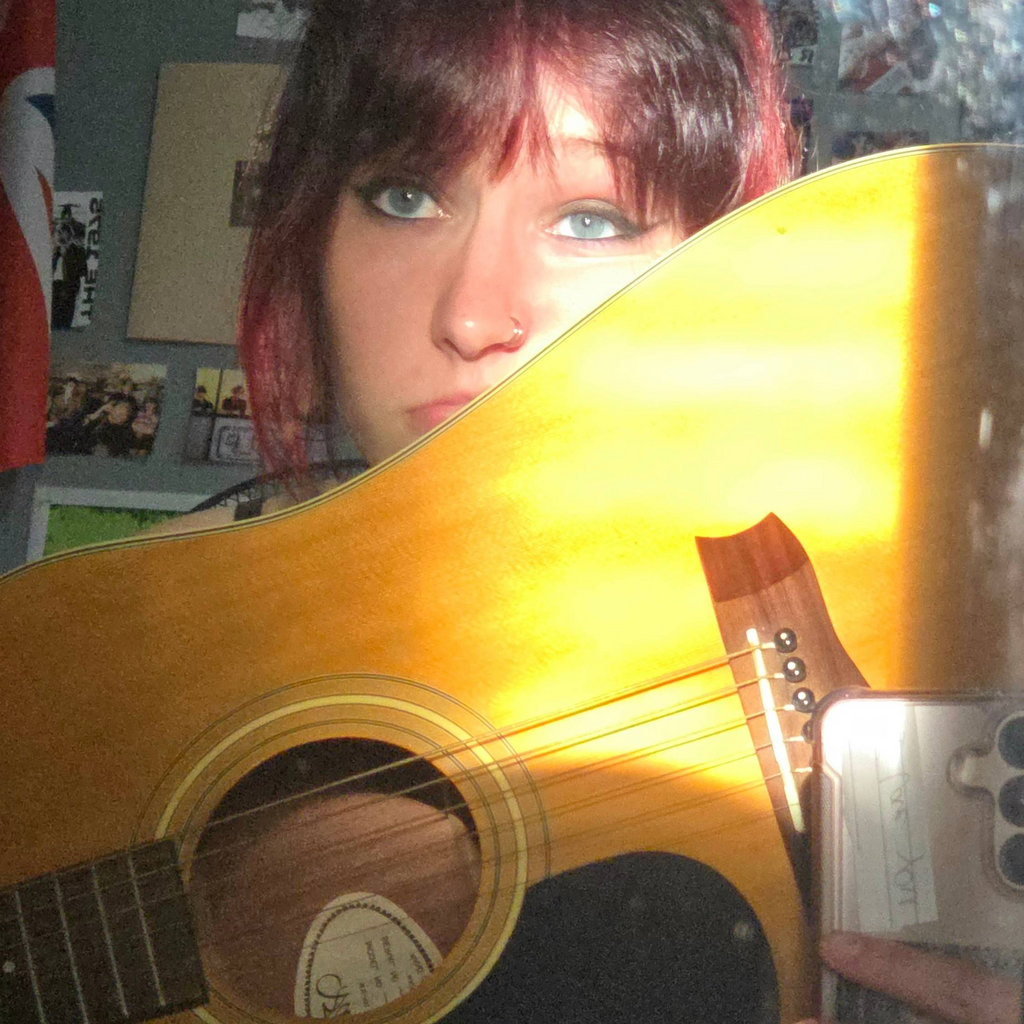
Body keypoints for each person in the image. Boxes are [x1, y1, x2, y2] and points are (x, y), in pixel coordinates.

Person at [171, 0, 1021, 1020]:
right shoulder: (119, 634)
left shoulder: (911, 606)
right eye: (405, 197)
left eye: (591, 220)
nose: (471, 316)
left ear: (717, 266)